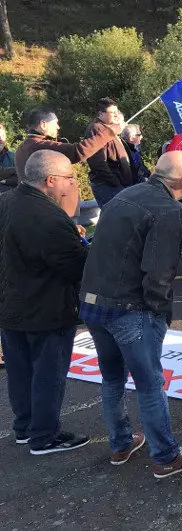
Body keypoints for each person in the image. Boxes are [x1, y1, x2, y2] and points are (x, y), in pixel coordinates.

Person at [79, 151, 182, 477]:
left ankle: (121, 443)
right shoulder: (167, 209)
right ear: (181, 181)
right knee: (150, 383)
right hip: (129, 309)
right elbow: (159, 273)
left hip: (94, 303)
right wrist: (160, 312)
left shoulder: (127, 194)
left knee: (112, 378)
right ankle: (166, 456)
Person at [0, 150, 90, 454]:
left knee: (20, 371)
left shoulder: (6, 201)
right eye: (69, 178)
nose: (71, 183)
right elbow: (77, 268)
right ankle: (44, 435)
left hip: (10, 305)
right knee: (47, 374)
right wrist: (87, 246)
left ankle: (25, 428)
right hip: (45, 309)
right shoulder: (49, 217)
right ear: (51, 180)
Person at [85, 98, 135, 207]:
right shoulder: (97, 129)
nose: (116, 115)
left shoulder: (109, 129)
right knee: (115, 219)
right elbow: (97, 162)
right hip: (108, 186)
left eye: (117, 112)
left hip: (118, 184)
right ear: (100, 114)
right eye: (113, 112)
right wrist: (115, 182)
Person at [0, 123, 17, 192]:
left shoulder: (13, 156)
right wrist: (15, 170)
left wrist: (5, 181)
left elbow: (21, 177)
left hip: (9, 199)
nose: (0, 139)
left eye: (2, 135)